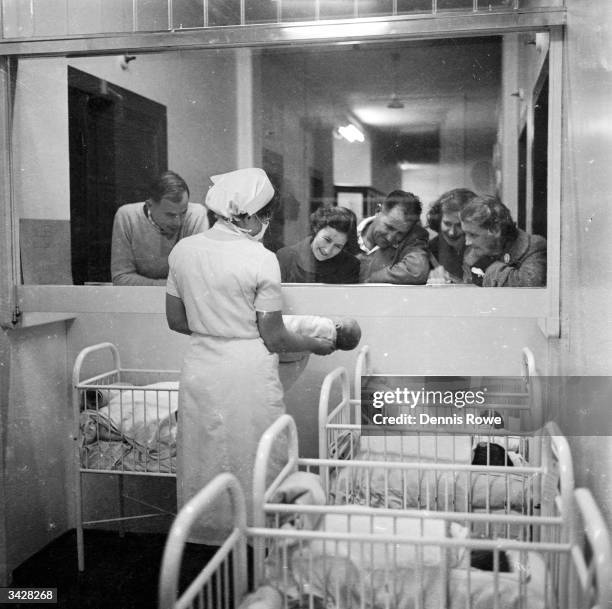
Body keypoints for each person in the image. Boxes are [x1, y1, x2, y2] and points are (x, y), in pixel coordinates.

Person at [165, 167, 335, 544]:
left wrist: (215, 325)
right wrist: (314, 344)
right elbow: (273, 336)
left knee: (204, 458)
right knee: (255, 457)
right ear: (249, 215)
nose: (268, 223)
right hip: (246, 370)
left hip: (202, 366)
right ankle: (257, 543)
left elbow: (176, 320)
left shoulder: (183, 251)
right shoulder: (260, 258)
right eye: (266, 215)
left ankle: (205, 540)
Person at [111, 170, 208, 285]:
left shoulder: (196, 215)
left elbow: (197, 278)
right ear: (150, 205)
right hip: (140, 298)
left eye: (183, 212)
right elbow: (121, 278)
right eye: (170, 215)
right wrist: (172, 286)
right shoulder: (127, 217)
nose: (178, 222)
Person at [460, 195, 547, 287]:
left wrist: (488, 266)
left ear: (496, 230)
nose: (467, 242)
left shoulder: (534, 247)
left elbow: (529, 287)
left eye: (473, 235)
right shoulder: (472, 252)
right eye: (465, 234)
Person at [357, 190, 430, 284]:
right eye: (389, 227)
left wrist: (368, 279)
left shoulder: (412, 238)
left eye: (400, 233)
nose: (390, 238)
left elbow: (416, 272)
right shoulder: (347, 228)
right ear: (378, 211)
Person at [276, 206, 360, 283]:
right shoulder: (285, 257)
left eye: (338, 246)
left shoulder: (350, 265)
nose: (328, 250)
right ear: (316, 229)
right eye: (327, 239)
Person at [426, 188, 477, 284]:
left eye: (459, 225)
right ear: (438, 221)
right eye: (447, 223)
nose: (452, 232)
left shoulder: (482, 249)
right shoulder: (429, 251)